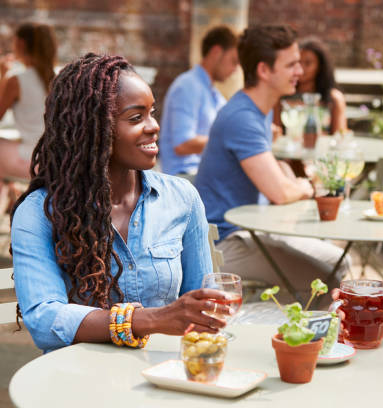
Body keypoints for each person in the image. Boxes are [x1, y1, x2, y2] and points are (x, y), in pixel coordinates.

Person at [11, 53, 230, 353]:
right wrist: (150, 319)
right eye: (136, 117)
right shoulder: (39, 213)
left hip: (160, 377)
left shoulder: (182, 199)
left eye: (152, 113)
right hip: (75, 382)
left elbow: (201, 306)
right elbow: (44, 320)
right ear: (92, 130)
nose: (153, 126)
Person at [194, 25, 350, 301]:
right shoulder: (242, 117)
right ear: (265, 71)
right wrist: (307, 185)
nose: (300, 72)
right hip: (225, 243)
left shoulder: (258, 112)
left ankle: (289, 326)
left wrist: (293, 181)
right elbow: (280, 192)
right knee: (327, 278)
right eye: (291, 65)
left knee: (339, 260)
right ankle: (294, 338)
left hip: (249, 231)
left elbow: (277, 173)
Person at [159, 25, 239, 176]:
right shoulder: (187, 86)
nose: (236, 69)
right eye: (234, 61)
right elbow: (182, 144)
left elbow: (232, 127)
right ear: (216, 52)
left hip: (203, 174)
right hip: (184, 177)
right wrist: (230, 141)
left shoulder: (213, 93)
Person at [0, 22, 56, 181]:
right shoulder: (56, 77)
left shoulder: (16, 80)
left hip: (30, 159)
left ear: (21, 43)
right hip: (52, 159)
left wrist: (3, 75)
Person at [274, 36, 347, 135]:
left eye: (308, 63)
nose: (301, 68)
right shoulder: (281, 96)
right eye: (297, 62)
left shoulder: (334, 99)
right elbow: (275, 134)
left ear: (320, 66)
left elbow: (340, 136)